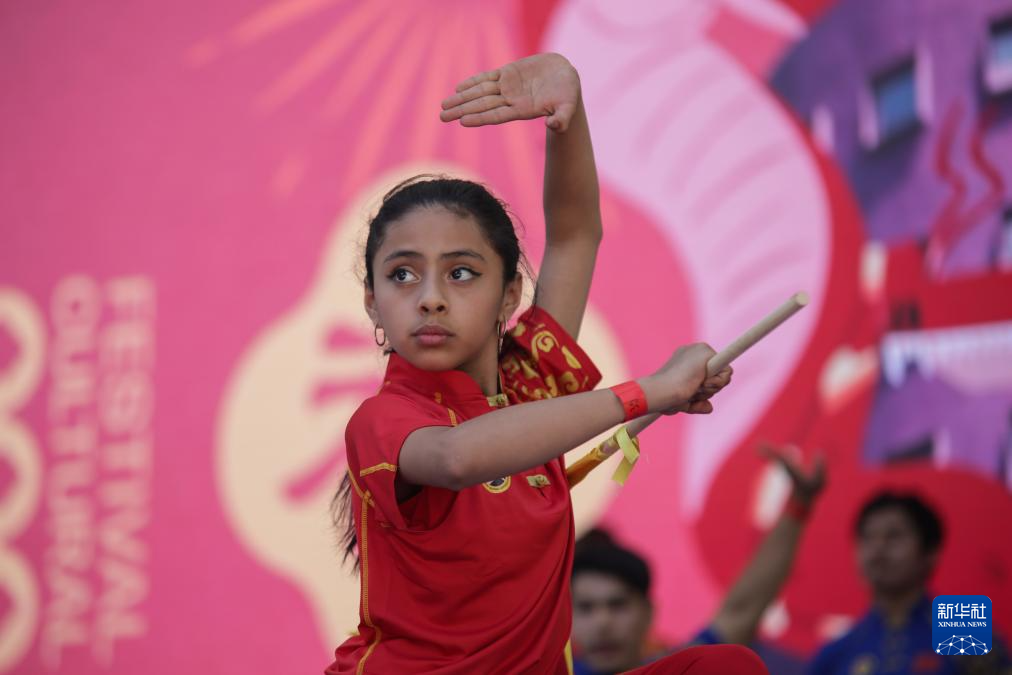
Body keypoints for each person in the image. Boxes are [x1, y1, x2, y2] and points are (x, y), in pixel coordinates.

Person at [325, 53, 762, 674]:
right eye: (402, 275)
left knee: (728, 668)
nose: (430, 297)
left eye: (461, 272)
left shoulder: (528, 388)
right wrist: (649, 393)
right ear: (372, 301)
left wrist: (568, 115)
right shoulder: (383, 420)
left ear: (510, 295)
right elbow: (457, 456)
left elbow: (575, 234)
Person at [571, 446, 826, 675]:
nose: (602, 623)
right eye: (586, 608)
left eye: (617, 605)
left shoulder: (685, 669)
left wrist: (798, 505)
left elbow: (743, 609)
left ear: (649, 612)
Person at [808, 491, 1011, 675]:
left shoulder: (960, 625)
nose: (878, 550)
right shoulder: (840, 650)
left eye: (894, 537)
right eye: (867, 538)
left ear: (930, 553)